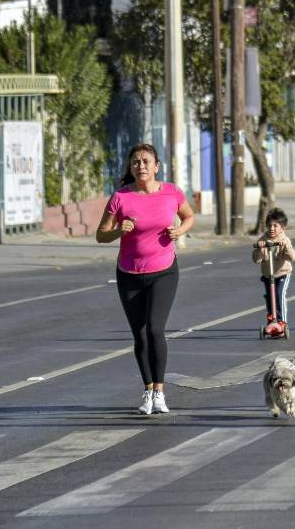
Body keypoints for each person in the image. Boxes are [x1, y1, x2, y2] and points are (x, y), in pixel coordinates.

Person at [97, 143, 195, 415]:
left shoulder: (171, 192)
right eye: (136, 162)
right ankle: (148, 389)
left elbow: (188, 216)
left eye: (146, 161)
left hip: (163, 270)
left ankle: (160, 392)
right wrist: (118, 230)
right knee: (139, 334)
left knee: (154, 329)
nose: (141, 166)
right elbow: (100, 234)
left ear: (156, 166)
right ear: (131, 167)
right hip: (129, 273)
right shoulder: (120, 197)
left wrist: (180, 231)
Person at [252, 208, 295, 331]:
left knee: (279, 294)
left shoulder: (284, 240)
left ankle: (282, 321)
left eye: (275, 226)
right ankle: (272, 318)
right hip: (268, 275)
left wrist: (286, 248)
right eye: (269, 225)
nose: (272, 228)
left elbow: (292, 257)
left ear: (282, 228)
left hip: (282, 273)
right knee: (269, 297)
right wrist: (259, 249)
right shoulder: (263, 240)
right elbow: (256, 260)